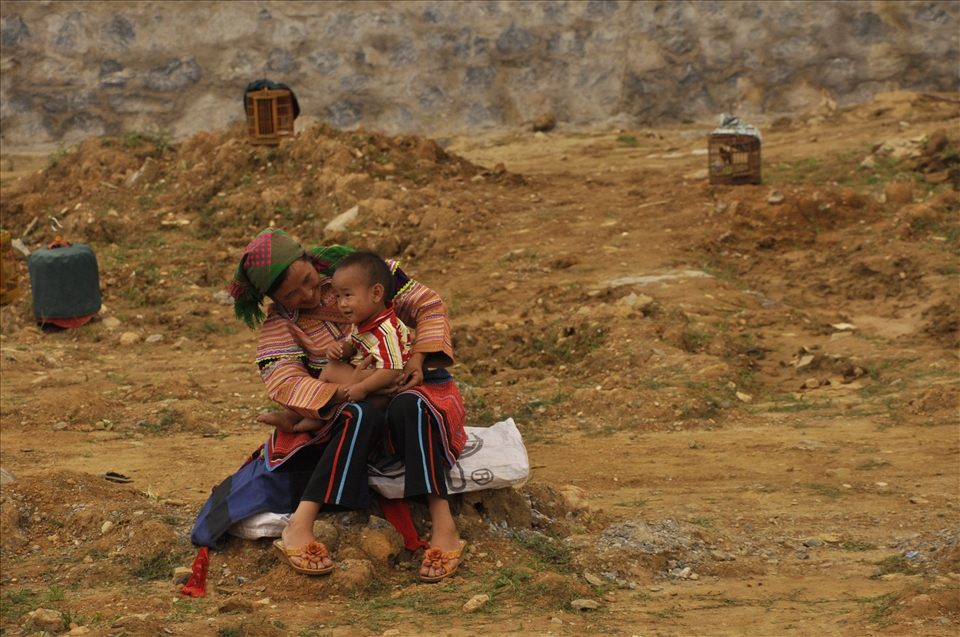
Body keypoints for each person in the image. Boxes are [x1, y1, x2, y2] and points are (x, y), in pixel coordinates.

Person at [190, 228, 468, 582]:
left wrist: (416, 361)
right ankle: (300, 525)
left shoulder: (361, 274)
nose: (307, 294)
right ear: (274, 298)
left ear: (309, 259)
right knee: (358, 413)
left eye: (308, 280)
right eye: (291, 294)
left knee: (412, 407)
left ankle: (444, 524)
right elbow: (284, 379)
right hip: (345, 407)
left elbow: (428, 306)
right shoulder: (282, 324)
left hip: (406, 385)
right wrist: (348, 390)